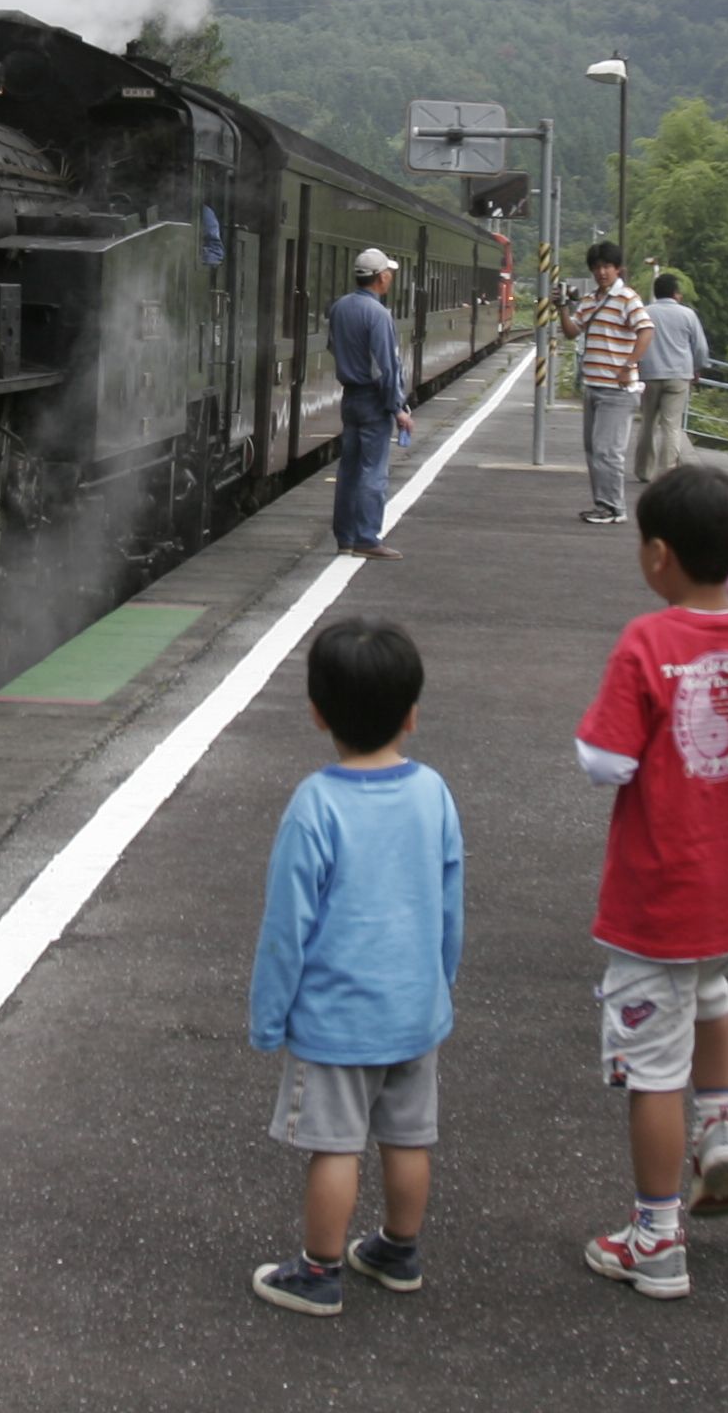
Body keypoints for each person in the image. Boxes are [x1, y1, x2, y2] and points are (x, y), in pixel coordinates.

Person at [571, 463, 728, 1301]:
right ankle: (719, 1127)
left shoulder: (648, 643)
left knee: (650, 1070)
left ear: (658, 557)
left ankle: (655, 1237)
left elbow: (604, 761)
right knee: (710, 994)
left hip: (658, 897)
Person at [248, 618, 465, 1316]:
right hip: (414, 1010)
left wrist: (267, 1016)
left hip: (337, 1019)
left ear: (316, 714)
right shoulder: (433, 791)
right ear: (412, 713)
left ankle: (318, 1271)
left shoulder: (315, 806)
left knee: (335, 1147)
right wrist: (440, 979)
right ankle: (399, 1251)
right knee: (408, 1136)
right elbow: (449, 899)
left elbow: (287, 926)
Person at [327, 247, 414, 561]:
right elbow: (385, 368)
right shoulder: (378, 314)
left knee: (349, 469)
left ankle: (345, 538)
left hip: (350, 396)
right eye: (388, 275)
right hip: (373, 400)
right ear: (382, 277)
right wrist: (398, 409)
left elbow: (332, 347)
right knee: (373, 471)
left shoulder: (339, 307)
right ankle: (367, 538)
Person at [561, 241, 653, 526]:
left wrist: (629, 365)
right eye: (597, 267)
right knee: (593, 449)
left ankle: (615, 508)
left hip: (617, 389)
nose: (602, 272)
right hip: (594, 385)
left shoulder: (627, 298)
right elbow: (571, 332)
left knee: (607, 450)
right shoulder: (590, 300)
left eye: (607, 267)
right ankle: (603, 504)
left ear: (618, 269)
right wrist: (562, 307)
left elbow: (647, 331)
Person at [634, 272, 711, 485]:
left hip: (649, 374)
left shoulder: (645, 312)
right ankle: (666, 474)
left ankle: (643, 471)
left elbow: (635, 341)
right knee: (671, 425)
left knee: (648, 422)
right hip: (679, 375)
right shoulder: (688, 315)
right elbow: (701, 348)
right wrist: (697, 367)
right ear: (676, 294)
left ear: (656, 293)